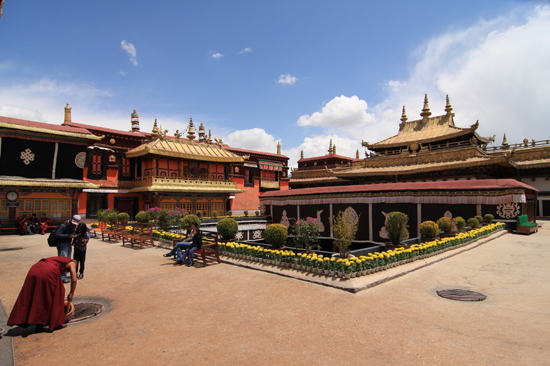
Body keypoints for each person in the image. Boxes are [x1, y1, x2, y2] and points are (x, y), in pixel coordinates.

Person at [7, 256, 77, 332]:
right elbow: (74, 279)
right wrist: (71, 293)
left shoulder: (58, 259)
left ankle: (40, 323)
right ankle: (55, 323)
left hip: (35, 269)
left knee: (39, 295)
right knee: (57, 294)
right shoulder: (72, 262)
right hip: (48, 271)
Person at [55, 215, 79, 283]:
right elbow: (57, 234)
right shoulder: (63, 225)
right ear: (71, 219)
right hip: (62, 244)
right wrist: (68, 236)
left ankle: (64, 276)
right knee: (63, 261)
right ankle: (62, 277)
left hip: (68, 244)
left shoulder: (73, 226)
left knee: (68, 260)